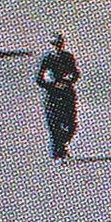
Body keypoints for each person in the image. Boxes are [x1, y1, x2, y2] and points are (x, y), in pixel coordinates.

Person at [37, 32, 79, 161]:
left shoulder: (68, 57)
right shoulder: (47, 58)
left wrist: (68, 81)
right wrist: (53, 85)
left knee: (71, 125)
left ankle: (62, 145)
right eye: (55, 45)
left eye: (59, 44)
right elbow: (39, 78)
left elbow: (75, 73)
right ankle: (58, 152)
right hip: (52, 96)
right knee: (54, 125)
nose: (57, 47)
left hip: (66, 94)